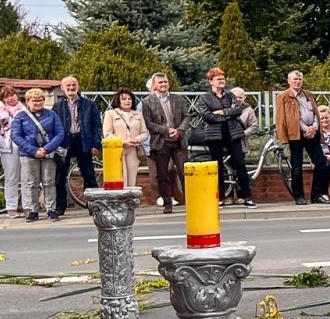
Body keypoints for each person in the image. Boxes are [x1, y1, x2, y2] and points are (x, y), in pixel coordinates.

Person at [193, 67, 253, 206]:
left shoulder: (230, 95)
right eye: (218, 79)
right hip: (214, 136)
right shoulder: (205, 98)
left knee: (240, 164)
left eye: (223, 79)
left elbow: (238, 109)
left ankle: (247, 197)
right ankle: (219, 197)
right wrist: (227, 116)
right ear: (211, 81)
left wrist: (222, 112)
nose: (222, 81)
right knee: (217, 166)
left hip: (232, 134)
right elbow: (207, 116)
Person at [11, 87, 64, 221]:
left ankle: (51, 209)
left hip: (48, 153)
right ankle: (33, 210)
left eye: (40, 100)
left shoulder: (51, 115)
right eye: (34, 101)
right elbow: (16, 136)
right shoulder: (20, 117)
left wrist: (46, 149)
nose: (37, 103)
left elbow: (59, 133)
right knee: (31, 183)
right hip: (28, 154)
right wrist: (33, 150)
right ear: (27, 101)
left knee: (49, 182)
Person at [51, 75, 100, 217]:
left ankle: (93, 205)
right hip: (64, 143)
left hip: (83, 141)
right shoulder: (58, 106)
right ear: (62, 88)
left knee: (89, 175)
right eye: (68, 86)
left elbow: (97, 126)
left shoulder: (89, 105)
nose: (71, 88)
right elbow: (54, 127)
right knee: (60, 176)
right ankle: (61, 206)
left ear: (78, 86)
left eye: (73, 85)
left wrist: (96, 144)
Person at [275, 70, 326, 205]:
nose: (297, 82)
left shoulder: (308, 94)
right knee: (297, 166)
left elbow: (315, 112)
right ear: (289, 81)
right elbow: (282, 118)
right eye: (295, 79)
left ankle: (317, 195)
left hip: (312, 134)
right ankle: (299, 196)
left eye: (299, 79)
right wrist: (283, 137)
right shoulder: (283, 96)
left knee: (321, 163)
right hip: (296, 135)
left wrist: (315, 127)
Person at [141, 72, 188, 214]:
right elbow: (149, 123)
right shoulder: (147, 102)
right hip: (161, 142)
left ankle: (191, 201)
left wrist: (179, 130)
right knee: (162, 174)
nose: (163, 85)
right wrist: (166, 130)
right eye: (160, 82)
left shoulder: (178, 99)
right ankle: (168, 203)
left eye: (165, 82)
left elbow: (186, 117)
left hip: (178, 141)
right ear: (154, 85)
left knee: (184, 172)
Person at [103, 88, 148, 195]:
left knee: (132, 180)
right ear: (118, 101)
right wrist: (123, 141)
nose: (127, 101)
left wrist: (136, 139)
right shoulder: (111, 114)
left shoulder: (138, 114)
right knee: (120, 178)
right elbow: (107, 134)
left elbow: (145, 133)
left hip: (133, 150)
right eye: (123, 99)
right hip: (117, 150)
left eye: (129, 99)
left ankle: (130, 204)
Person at [0, 85, 24, 217]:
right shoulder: (1, 110)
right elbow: (4, 120)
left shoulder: (24, 108)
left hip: (24, 146)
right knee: (11, 177)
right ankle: (11, 208)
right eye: (6, 97)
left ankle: (28, 206)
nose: (10, 98)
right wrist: (0, 104)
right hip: (8, 145)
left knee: (26, 178)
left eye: (12, 95)